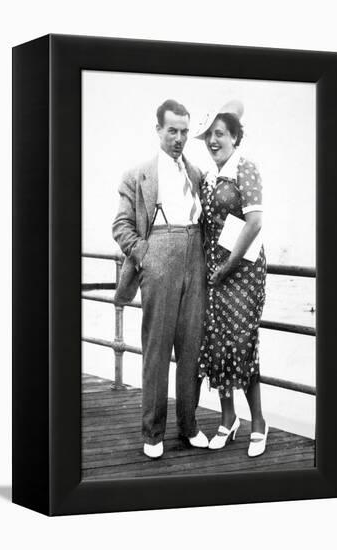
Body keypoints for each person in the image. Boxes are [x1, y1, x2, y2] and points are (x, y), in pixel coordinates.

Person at [112, 99, 208, 459]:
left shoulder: (196, 174)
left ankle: (188, 426)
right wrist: (145, 254)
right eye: (172, 131)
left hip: (194, 254)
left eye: (184, 132)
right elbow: (120, 226)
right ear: (158, 131)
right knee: (156, 349)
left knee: (191, 348)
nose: (179, 138)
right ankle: (152, 432)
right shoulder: (137, 175)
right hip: (159, 256)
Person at [195, 100, 268, 457]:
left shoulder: (245, 168)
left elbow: (254, 223)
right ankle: (228, 419)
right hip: (215, 272)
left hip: (243, 272)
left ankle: (259, 422)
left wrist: (227, 267)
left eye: (220, 134)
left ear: (235, 137)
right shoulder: (209, 177)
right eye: (209, 135)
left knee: (242, 343)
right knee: (217, 343)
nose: (213, 140)